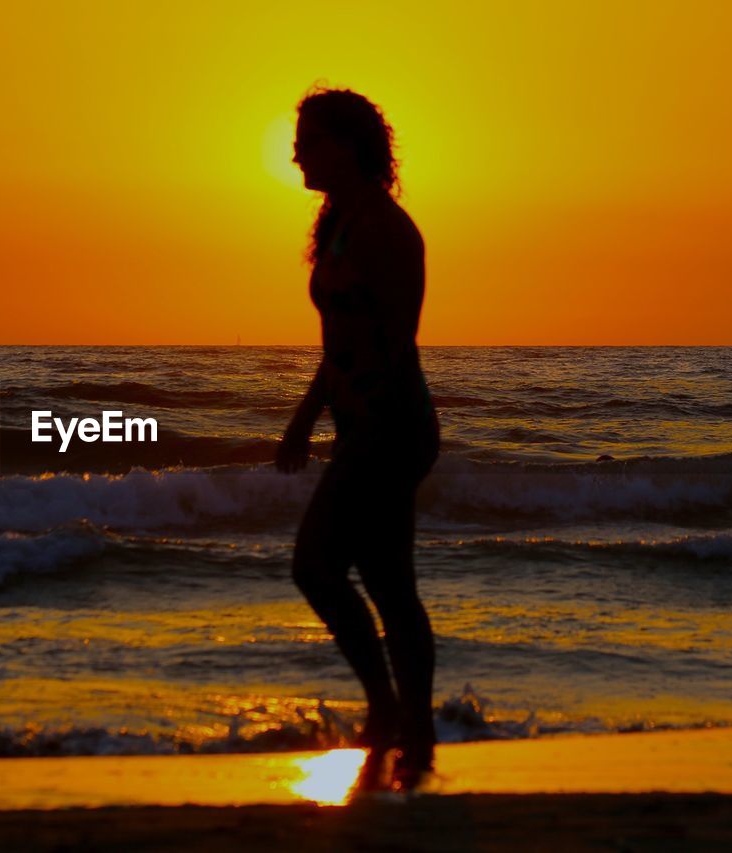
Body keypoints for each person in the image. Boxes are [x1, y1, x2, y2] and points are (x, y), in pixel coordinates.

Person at [276, 86, 441, 790]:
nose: (297, 153)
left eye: (310, 139)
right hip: (357, 427)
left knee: (317, 565)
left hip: (390, 424)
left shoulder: (387, 230)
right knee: (387, 581)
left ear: (348, 145)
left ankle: (391, 710)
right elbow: (337, 340)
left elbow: (396, 342)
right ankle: (413, 727)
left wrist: (368, 430)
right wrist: (307, 416)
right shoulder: (338, 222)